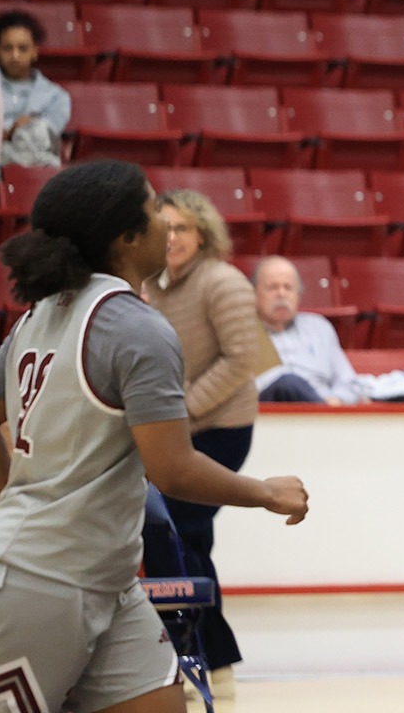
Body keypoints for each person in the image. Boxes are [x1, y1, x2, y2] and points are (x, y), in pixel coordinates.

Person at [0, 160, 308, 713]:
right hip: (44, 579)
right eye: (152, 213)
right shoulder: (136, 327)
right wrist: (265, 491)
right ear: (125, 238)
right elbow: (173, 470)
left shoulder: (34, 318)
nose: (166, 224)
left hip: (109, 579)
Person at [142, 189, 269, 699]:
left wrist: (184, 409)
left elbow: (243, 359)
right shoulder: (159, 286)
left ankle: (207, 662)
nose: (171, 238)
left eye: (181, 228)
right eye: (163, 228)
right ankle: (214, 665)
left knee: (177, 534)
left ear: (202, 234)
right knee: (190, 542)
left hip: (222, 429)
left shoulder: (224, 282)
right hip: (181, 429)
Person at [253, 256, 358, 405]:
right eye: (272, 287)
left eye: (288, 288)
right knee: (288, 382)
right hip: (265, 413)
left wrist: (336, 400)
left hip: (318, 410)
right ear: (254, 294)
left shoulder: (319, 327)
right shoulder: (239, 332)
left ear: (298, 295)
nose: (281, 294)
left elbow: (349, 383)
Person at [0, 9, 71, 168]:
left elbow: (47, 137)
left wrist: (22, 129)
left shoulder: (57, 97)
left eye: (22, 48)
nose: (15, 55)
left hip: (34, 167)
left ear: (35, 51)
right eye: (7, 48)